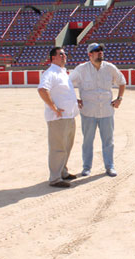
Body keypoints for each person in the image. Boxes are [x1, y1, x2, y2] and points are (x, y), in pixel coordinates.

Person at [69, 43, 126, 177]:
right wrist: (74, 99)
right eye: (96, 51)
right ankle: (87, 167)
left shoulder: (110, 68)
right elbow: (67, 84)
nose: (100, 52)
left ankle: (110, 166)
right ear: (90, 54)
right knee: (88, 141)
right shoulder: (81, 69)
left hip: (106, 110)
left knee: (108, 140)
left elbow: (122, 81)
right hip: (88, 112)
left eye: (101, 50)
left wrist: (119, 98)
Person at [38, 47, 79, 188]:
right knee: (58, 148)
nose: (64, 56)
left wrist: (75, 102)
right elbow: (42, 90)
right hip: (58, 118)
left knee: (67, 146)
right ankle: (55, 178)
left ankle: (63, 172)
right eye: (60, 54)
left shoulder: (63, 72)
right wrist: (53, 107)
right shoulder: (50, 73)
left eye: (64, 53)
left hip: (69, 116)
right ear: (53, 58)